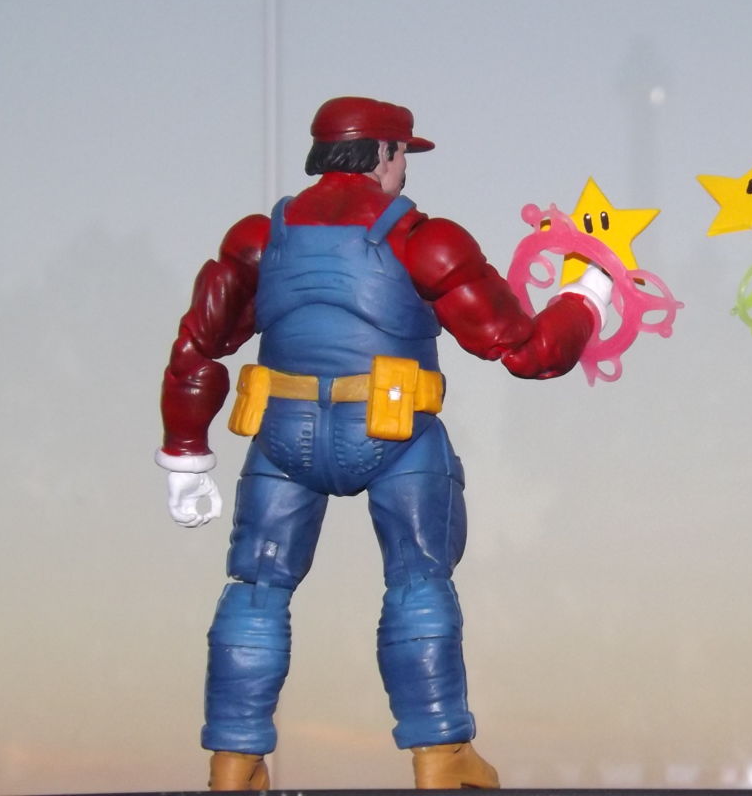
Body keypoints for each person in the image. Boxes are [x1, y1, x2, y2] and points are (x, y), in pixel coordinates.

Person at [156, 96, 610, 790]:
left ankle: (234, 760)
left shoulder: (261, 238)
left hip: (283, 436)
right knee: (418, 579)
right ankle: (440, 754)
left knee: (256, 588)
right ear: (385, 154)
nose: (405, 169)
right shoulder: (423, 240)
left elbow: (199, 342)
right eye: (403, 154)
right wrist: (587, 297)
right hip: (393, 432)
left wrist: (186, 455)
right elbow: (527, 352)